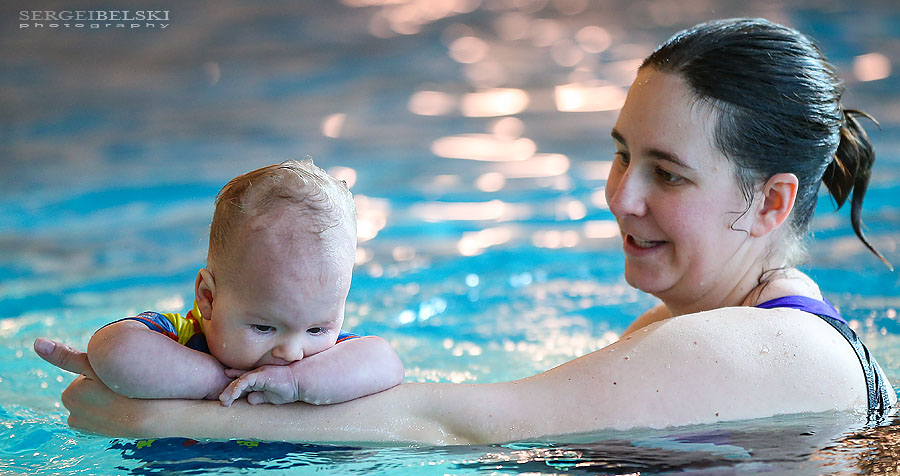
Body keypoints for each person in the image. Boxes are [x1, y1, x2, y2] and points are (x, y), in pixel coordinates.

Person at [35, 18, 895, 445]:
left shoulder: (762, 349)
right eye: (622, 155)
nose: (621, 197)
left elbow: (458, 425)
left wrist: (159, 416)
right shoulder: (694, 330)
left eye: (667, 175)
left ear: (772, 204)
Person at [69, 158, 405, 407]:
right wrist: (214, 381)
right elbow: (112, 348)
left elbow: (386, 362)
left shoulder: (325, 359)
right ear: (208, 298)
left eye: (317, 330)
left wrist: (295, 382)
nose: (291, 352)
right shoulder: (178, 338)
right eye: (263, 327)